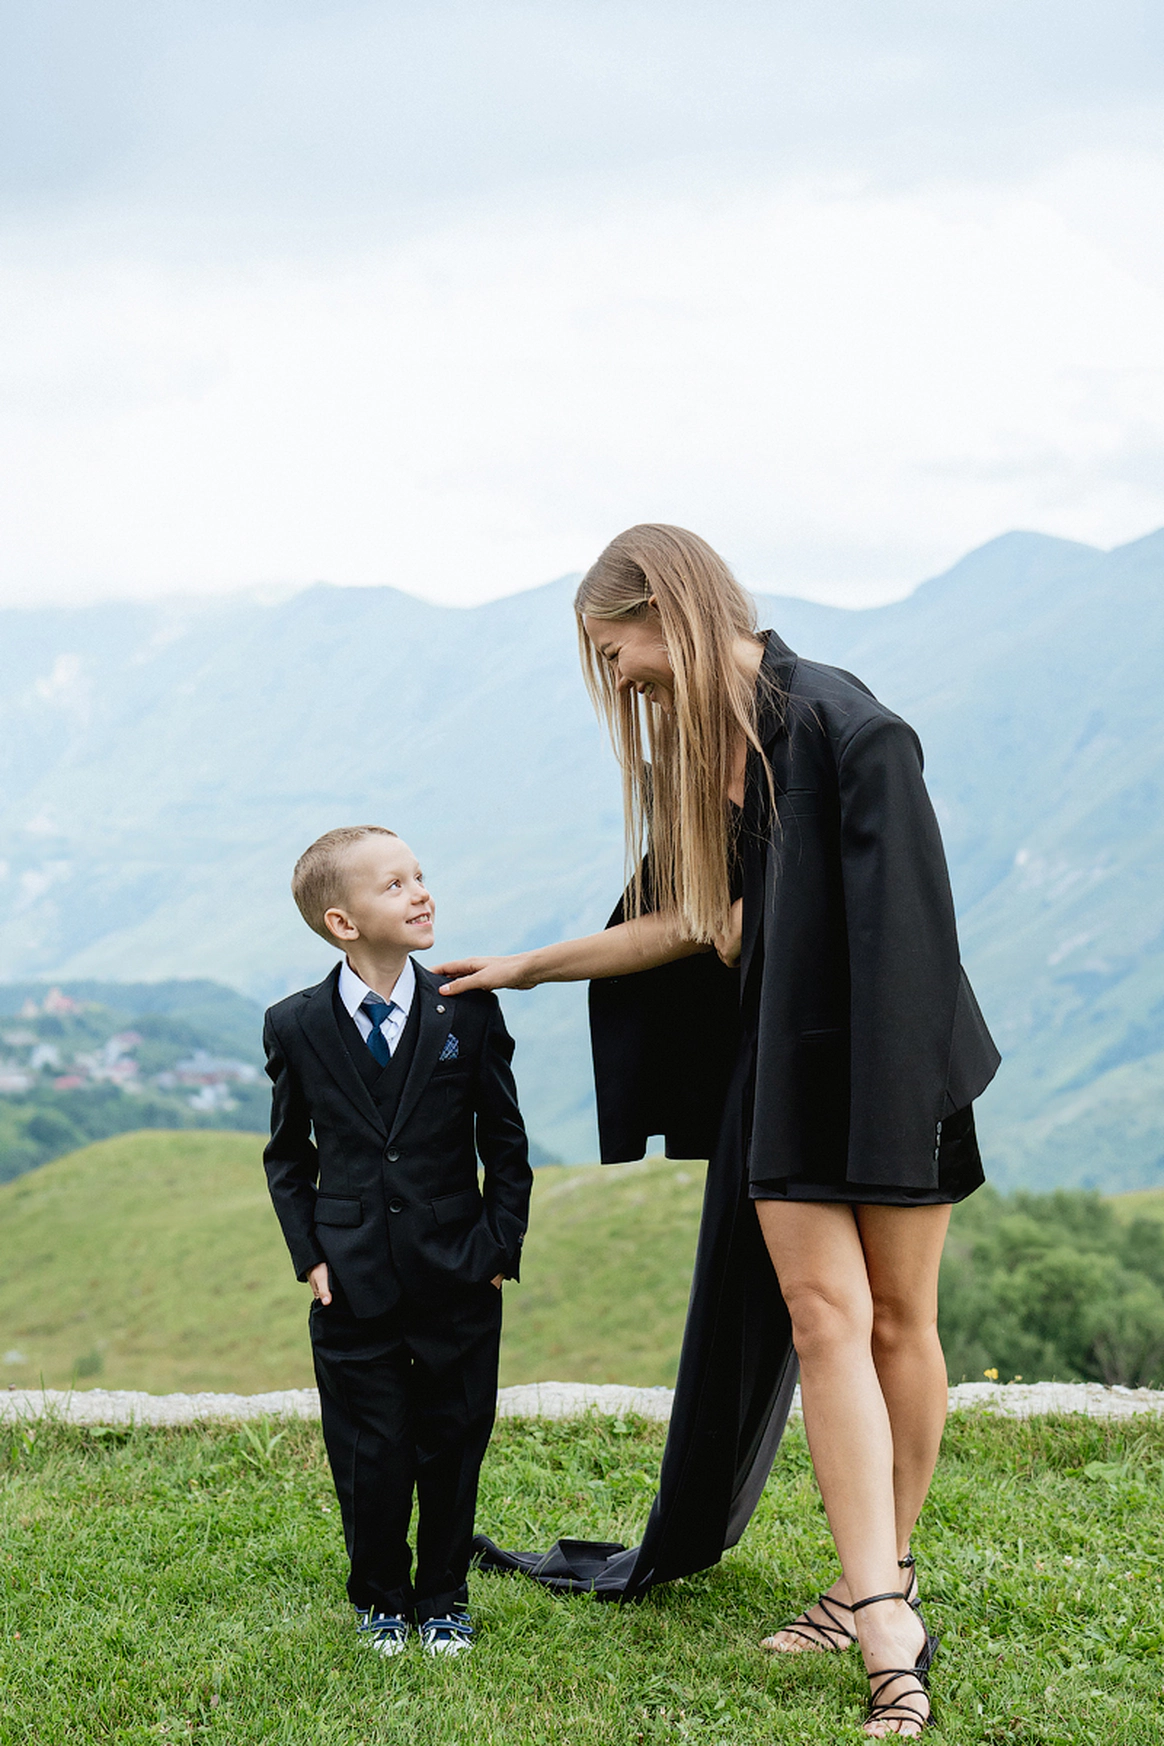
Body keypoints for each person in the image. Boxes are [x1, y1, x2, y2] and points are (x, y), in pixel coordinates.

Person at [436, 525, 999, 1736]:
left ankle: (875, 1580)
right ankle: (882, 1614)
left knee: (897, 1322)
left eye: (614, 650)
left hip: (896, 1065)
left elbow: (911, 941)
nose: (617, 678)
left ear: (664, 606)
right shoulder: (704, 754)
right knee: (823, 1317)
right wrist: (528, 966)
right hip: (782, 1070)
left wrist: (879, 1096)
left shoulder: (852, 729)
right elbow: (691, 918)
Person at [262, 826, 532, 1658]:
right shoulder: (294, 1024)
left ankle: (444, 1596)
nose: (420, 893)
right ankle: (381, 1598)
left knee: (454, 1439)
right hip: (350, 1279)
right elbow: (287, 1155)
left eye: (419, 876)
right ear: (343, 924)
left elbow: (506, 1143)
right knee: (368, 1447)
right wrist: (310, 1255)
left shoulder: (469, 1008)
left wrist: (498, 1250)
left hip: (459, 1271)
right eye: (394, 885)